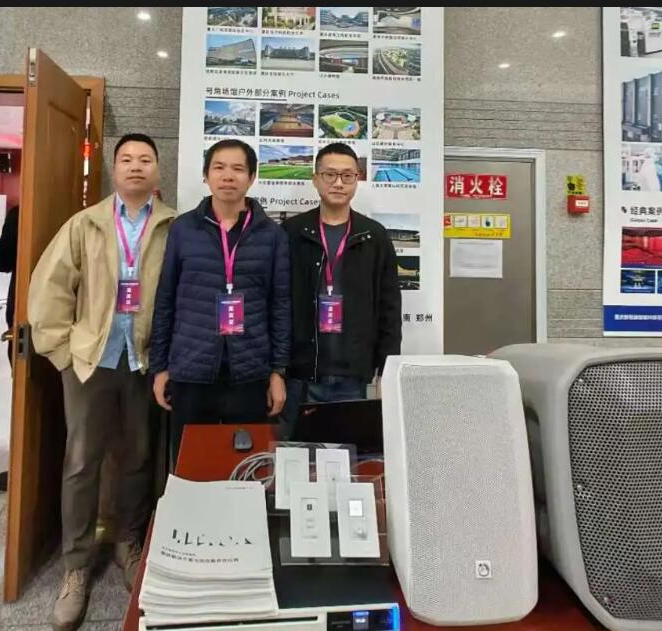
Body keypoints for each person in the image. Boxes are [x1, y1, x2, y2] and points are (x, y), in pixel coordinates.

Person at [28, 133, 176, 631]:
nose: (136, 166)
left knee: (138, 457)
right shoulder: (86, 224)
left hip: (145, 363)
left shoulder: (173, 226)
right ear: (114, 168)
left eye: (145, 159)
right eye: (127, 159)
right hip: (91, 362)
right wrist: (63, 354)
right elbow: (50, 291)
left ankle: (128, 543)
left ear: (158, 170)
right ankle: (75, 566)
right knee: (81, 462)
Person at [149, 139, 291, 462]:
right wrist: (160, 368)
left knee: (246, 466)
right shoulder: (183, 229)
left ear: (251, 177)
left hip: (250, 373)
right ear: (206, 175)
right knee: (192, 465)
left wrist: (277, 372)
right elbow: (166, 299)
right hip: (191, 370)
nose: (228, 176)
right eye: (219, 167)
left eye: (238, 169)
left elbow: (280, 306)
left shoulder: (272, 235)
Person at [281, 143, 401, 437]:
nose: (338, 183)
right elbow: (277, 302)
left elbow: (389, 307)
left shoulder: (374, 235)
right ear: (315, 179)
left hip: (352, 373)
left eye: (347, 176)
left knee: (347, 455)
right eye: (330, 174)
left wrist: (386, 369)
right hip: (299, 374)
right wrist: (276, 368)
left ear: (357, 180)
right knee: (296, 455)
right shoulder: (292, 232)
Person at [0, 204, 19, 493]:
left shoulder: (20, 214)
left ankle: (24, 465)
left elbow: (1, 261)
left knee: (25, 396)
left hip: (23, 313)